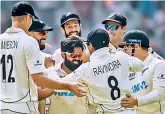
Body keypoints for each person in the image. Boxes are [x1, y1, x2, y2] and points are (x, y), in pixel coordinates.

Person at [0, 2, 86, 114]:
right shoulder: (29, 41)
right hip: (23, 107)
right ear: (28, 18)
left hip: (2, 107)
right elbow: (38, 79)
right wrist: (67, 85)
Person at [56, 28, 144, 114]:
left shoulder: (86, 69)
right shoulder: (121, 56)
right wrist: (117, 54)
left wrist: (50, 67)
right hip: (127, 110)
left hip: (104, 111)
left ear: (90, 45)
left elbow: (59, 86)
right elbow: (140, 66)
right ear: (108, 43)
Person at [120, 30, 165, 114]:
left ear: (136, 46)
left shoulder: (158, 65)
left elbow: (160, 92)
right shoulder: (128, 67)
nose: (124, 50)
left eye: (126, 46)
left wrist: (136, 101)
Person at [42, 36, 88, 114]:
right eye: (72, 55)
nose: (77, 59)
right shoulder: (49, 73)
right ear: (63, 55)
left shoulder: (86, 72)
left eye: (79, 55)